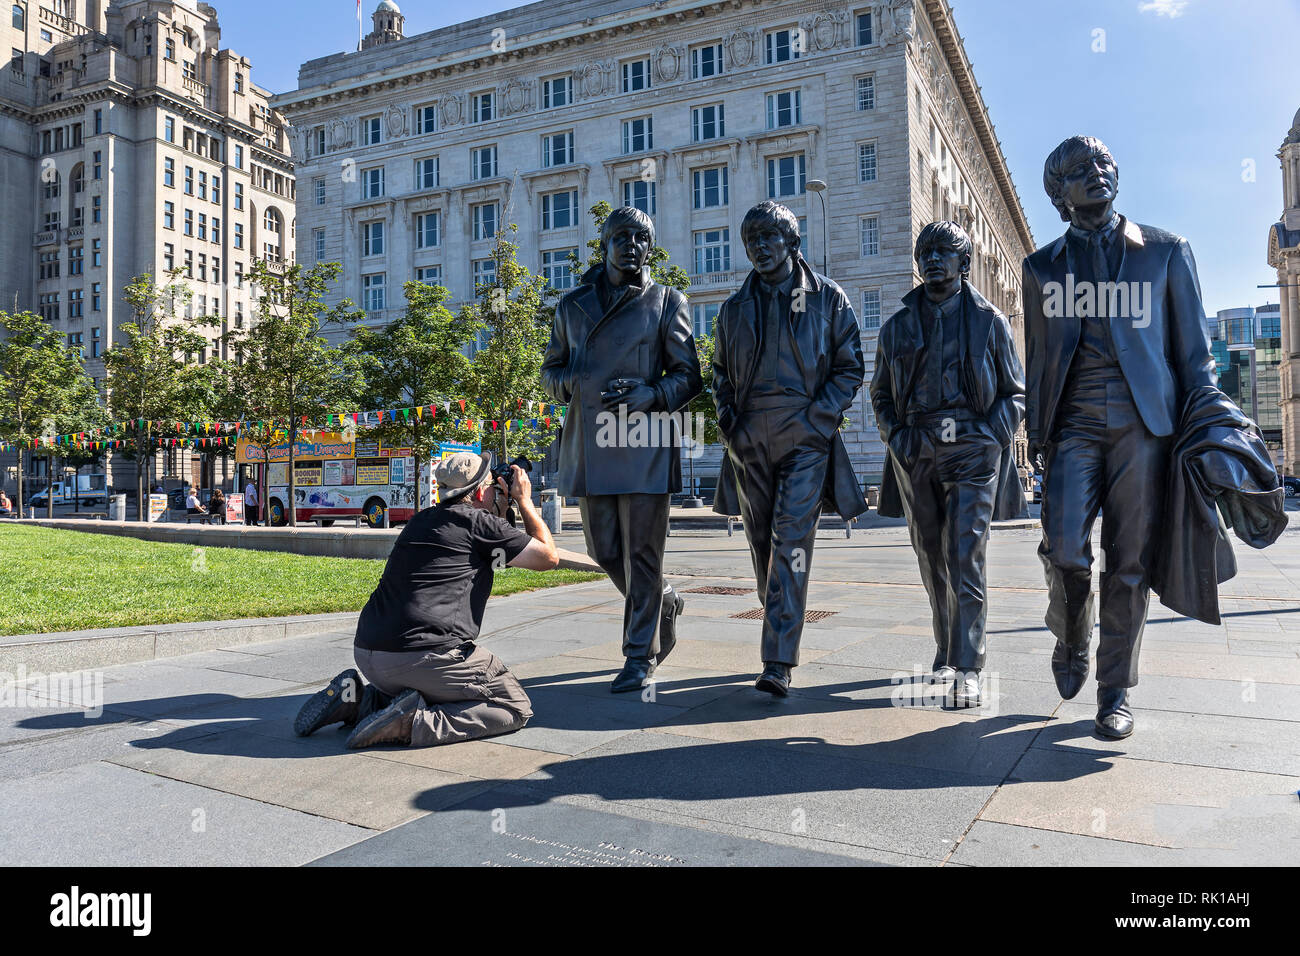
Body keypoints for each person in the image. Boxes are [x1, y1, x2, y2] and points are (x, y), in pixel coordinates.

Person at [1022, 136, 1218, 738]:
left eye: (1104, 163)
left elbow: (1194, 355)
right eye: (1080, 170)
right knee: (1066, 549)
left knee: (1129, 562)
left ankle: (1113, 693)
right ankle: (1072, 635)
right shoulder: (1041, 267)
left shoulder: (1164, 252)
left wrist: (1211, 421)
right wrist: (1037, 433)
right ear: (1059, 193)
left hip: (1144, 425)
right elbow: (1038, 360)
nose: (1097, 173)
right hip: (1073, 424)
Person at [541, 205, 703, 693]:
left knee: (643, 553)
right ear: (605, 244)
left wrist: (651, 394)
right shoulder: (571, 307)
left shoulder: (667, 301)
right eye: (621, 237)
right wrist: (577, 383)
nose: (631, 245)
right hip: (591, 445)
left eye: (640, 238)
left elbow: (689, 376)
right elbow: (550, 373)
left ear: (649, 248)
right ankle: (665, 599)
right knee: (603, 549)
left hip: (644, 441)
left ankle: (639, 656)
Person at [294, 452, 559, 749]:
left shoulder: (421, 520)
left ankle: (358, 701)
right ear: (482, 491)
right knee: (511, 705)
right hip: (422, 656)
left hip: (369, 652)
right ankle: (410, 724)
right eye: (492, 486)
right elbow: (549, 557)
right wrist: (524, 501)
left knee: (433, 687)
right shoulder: (481, 524)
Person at [711, 201, 868, 697]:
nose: (758, 247)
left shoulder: (828, 299)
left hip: (805, 436)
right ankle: (777, 609)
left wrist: (817, 420)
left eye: (768, 238)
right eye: (751, 240)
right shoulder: (733, 308)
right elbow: (718, 376)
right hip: (749, 438)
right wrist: (729, 423)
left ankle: (777, 660)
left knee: (791, 541)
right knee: (762, 544)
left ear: (792, 244)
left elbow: (850, 367)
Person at [871, 220, 1027, 707]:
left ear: (964, 263)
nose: (934, 259)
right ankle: (945, 649)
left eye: (944, 252)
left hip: (972, 449)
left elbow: (1015, 394)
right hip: (918, 449)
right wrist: (898, 438)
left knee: (965, 555)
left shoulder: (990, 321)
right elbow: (880, 395)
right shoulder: (897, 326)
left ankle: (968, 664)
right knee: (931, 556)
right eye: (926, 252)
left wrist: (990, 436)